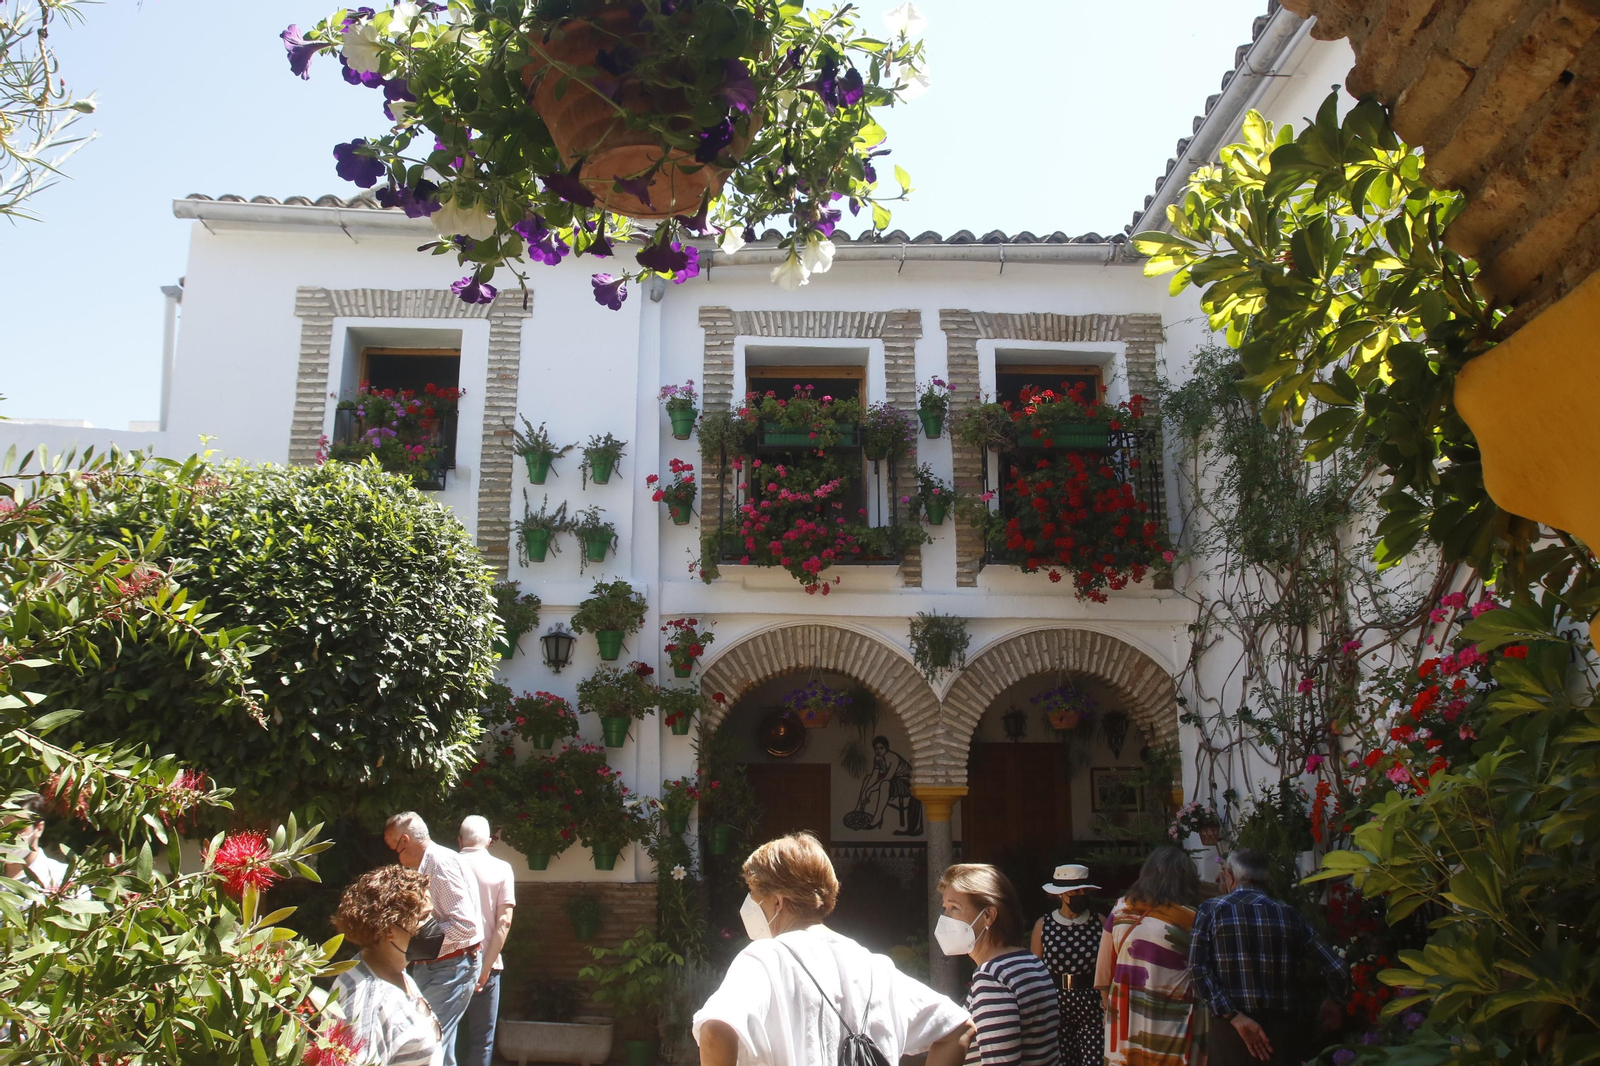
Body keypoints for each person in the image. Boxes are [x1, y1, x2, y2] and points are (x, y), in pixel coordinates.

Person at [695, 831, 974, 1066]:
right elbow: (958, 1028)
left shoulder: (764, 959)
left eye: (755, 895)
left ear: (778, 903)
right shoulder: (876, 966)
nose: (750, 906)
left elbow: (715, 1031)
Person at [1189, 848, 1347, 1066]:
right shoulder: (1289, 914)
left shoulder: (1211, 910)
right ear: (1267, 878)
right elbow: (1337, 967)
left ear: (1230, 875)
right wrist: (1335, 1000)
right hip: (1280, 1036)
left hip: (1231, 1035)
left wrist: (1234, 1016)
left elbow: (1197, 971)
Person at [384, 811, 484, 1066]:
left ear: (405, 841)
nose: (395, 857)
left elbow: (465, 927)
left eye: (393, 848)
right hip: (438, 966)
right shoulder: (430, 863)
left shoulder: (439, 864)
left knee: (428, 1045)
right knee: (436, 1045)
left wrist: (413, 939)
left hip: (452, 967)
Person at [939, 863, 1060, 1066]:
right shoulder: (1031, 962)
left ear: (988, 915)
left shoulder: (992, 977)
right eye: (945, 908)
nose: (945, 918)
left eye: (954, 908)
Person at [1095, 846, 1205, 1066]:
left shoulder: (1120, 909)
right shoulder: (1191, 919)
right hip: (1172, 1024)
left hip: (1123, 1023)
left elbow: (1104, 972)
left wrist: (1109, 1009)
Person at [331, 865, 445, 1066]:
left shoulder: (394, 972)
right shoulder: (370, 1003)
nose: (433, 924)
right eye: (424, 917)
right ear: (390, 928)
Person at [455, 815, 515, 1066]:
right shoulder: (502, 869)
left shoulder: (446, 865)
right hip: (487, 967)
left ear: (459, 841)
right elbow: (504, 922)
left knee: (442, 1034)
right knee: (482, 1040)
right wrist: (485, 968)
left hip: (448, 965)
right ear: (490, 841)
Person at [1030, 864, 1104, 1066]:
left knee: (1095, 1059)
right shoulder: (1044, 925)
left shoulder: (1099, 922)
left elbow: (1107, 966)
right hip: (1056, 1004)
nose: (1081, 895)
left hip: (1092, 1003)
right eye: (1075, 890)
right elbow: (1035, 970)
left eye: (1083, 890)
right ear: (1061, 894)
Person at [2, 794, 68, 894]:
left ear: (39, 829)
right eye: (1, 828)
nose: (6, 837)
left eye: (17, 829)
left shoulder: (63, 878)